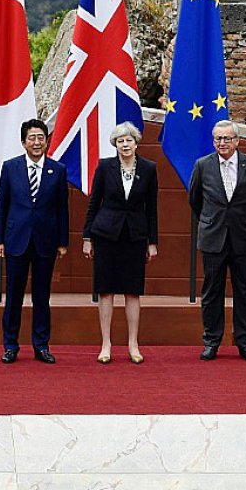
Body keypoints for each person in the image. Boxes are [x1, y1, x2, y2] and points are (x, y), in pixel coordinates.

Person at [190, 119, 246, 362]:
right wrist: (212, 221)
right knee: (212, 291)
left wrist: (244, 221)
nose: (222, 143)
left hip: (242, 238)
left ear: (237, 140)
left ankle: (245, 342)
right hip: (213, 237)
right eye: (218, 139)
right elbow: (195, 200)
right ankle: (211, 341)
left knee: (243, 290)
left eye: (227, 138)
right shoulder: (203, 165)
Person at [81, 122, 158, 365]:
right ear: (115, 144)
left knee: (132, 291)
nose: (125, 145)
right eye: (120, 141)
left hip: (135, 236)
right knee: (105, 290)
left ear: (136, 143)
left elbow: (152, 208)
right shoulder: (105, 167)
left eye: (129, 140)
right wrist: (87, 238)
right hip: (106, 235)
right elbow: (94, 203)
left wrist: (152, 242)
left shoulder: (149, 168)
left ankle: (133, 344)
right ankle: (106, 344)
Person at [0, 118, 69, 364]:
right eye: (32, 138)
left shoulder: (58, 170)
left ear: (46, 141)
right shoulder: (10, 167)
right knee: (14, 295)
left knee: (42, 296)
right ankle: (10, 345)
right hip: (16, 239)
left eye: (41, 138)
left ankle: (41, 345)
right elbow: (2, 206)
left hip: (46, 241)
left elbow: (62, 208)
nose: (37, 142)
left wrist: (62, 242)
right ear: (23, 142)